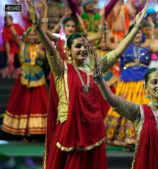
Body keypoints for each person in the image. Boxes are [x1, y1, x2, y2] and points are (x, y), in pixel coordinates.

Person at [25, 0, 149, 168]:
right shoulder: (62, 69)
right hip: (70, 130)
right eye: (78, 46)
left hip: (93, 129)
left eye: (85, 45)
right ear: (68, 51)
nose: (83, 49)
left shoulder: (94, 68)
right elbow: (49, 48)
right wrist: (38, 27)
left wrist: (135, 28)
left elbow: (118, 51)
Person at [104, 19, 158, 149]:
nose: (138, 35)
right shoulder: (124, 46)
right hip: (127, 83)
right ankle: (126, 140)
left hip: (142, 84)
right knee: (126, 109)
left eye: (140, 32)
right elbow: (108, 44)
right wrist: (106, 30)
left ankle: (143, 139)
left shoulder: (148, 46)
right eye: (135, 33)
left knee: (143, 111)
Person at [2, 27, 48, 137]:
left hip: (38, 78)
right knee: (24, 103)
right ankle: (23, 132)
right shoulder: (23, 46)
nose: (32, 37)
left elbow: (45, 33)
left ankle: (36, 132)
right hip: (24, 79)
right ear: (27, 36)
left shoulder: (41, 46)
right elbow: (15, 37)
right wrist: (10, 25)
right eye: (30, 35)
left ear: (38, 36)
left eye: (34, 34)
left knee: (38, 104)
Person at [2, 13, 24, 78]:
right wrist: (8, 56)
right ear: (5, 21)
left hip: (20, 48)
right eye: (7, 20)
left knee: (19, 64)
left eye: (9, 20)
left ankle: (16, 76)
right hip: (11, 50)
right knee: (10, 62)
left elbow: (24, 35)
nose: (8, 22)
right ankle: (10, 77)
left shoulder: (17, 26)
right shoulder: (5, 30)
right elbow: (7, 44)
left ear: (12, 20)